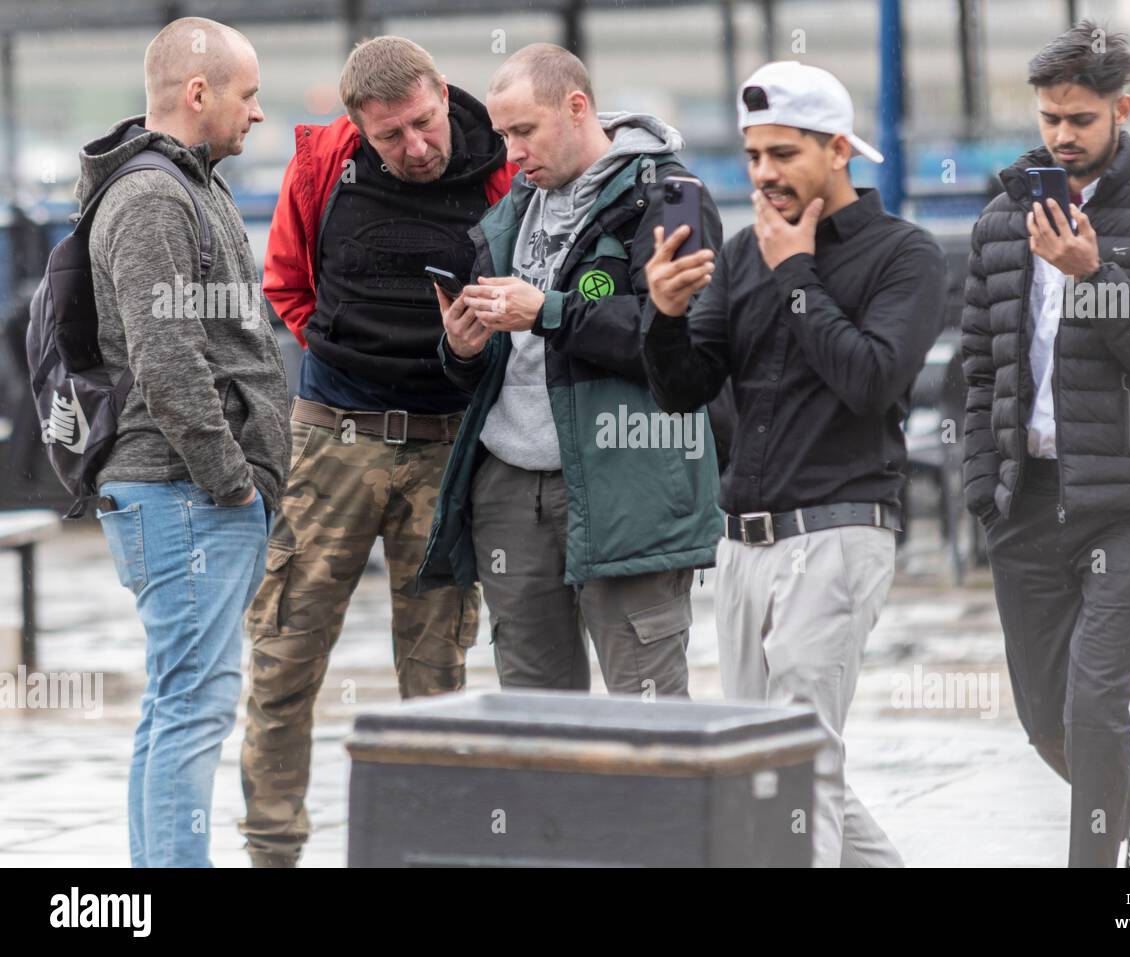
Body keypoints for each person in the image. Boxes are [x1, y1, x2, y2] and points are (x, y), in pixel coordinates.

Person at [642, 60, 946, 867]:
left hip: (839, 533)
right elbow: (686, 393)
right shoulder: (740, 254)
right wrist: (665, 318)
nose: (765, 174)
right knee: (767, 767)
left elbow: (870, 380)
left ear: (839, 149)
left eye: (785, 153)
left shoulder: (903, 255)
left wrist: (796, 275)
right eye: (754, 157)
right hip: (743, 542)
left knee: (797, 761)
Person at [239, 36, 513, 868]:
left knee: (437, 668)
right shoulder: (324, 165)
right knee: (285, 649)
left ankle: (432, 849)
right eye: (391, 137)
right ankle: (271, 845)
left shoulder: (506, 168)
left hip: (447, 442)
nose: (416, 147)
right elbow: (286, 283)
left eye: (424, 124)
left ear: (441, 91)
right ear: (358, 127)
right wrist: (349, 352)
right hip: (331, 434)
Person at [960, 20, 1130, 867]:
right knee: (1045, 722)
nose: (1063, 136)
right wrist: (982, 486)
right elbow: (979, 364)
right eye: (1049, 119)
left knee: (1093, 706)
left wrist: (1092, 276)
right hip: (1024, 501)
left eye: (1079, 119)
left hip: (1124, 504)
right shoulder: (1003, 219)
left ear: (1122, 109)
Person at [420, 43, 722, 697]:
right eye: (502, 135)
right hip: (508, 491)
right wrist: (464, 348)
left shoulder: (671, 197)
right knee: (535, 718)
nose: (511, 153)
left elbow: (677, 353)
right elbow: (499, 366)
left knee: (650, 720)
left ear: (577, 107)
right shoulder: (513, 209)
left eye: (523, 130)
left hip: (625, 485)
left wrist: (550, 310)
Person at [85, 17, 289, 866]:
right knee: (195, 707)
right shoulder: (153, 199)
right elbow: (169, 365)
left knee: (178, 702)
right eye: (248, 95)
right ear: (198, 94)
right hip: (184, 494)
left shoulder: (185, 185)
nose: (259, 114)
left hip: (187, 494)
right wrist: (233, 482)